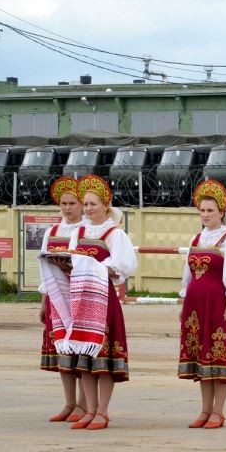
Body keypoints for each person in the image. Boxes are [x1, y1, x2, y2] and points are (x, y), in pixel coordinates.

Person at [64, 175, 138, 430]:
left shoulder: (114, 234)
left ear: (106, 205)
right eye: (85, 204)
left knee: (103, 357)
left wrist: (93, 266)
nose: (88, 209)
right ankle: (89, 409)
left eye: (93, 204)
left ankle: (103, 411)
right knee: (84, 356)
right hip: (82, 298)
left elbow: (122, 265)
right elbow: (71, 261)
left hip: (103, 299)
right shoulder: (78, 232)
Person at [178, 180, 226, 429]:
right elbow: (187, 275)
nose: (206, 215)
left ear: (222, 212)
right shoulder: (196, 238)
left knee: (219, 356)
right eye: (202, 210)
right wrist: (183, 303)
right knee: (203, 358)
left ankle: (218, 412)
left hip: (218, 304)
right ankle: (204, 410)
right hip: (196, 307)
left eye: (210, 210)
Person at [38, 176, 87, 422]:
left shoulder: (86, 231)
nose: (68, 208)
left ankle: (83, 403)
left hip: (82, 296)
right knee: (64, 350)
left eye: (73, 203)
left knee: (83, 349)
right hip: (58, 297)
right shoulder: (52, 231)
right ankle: (69, 403)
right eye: (64, 203)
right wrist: (44, 301)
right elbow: (44, 270)